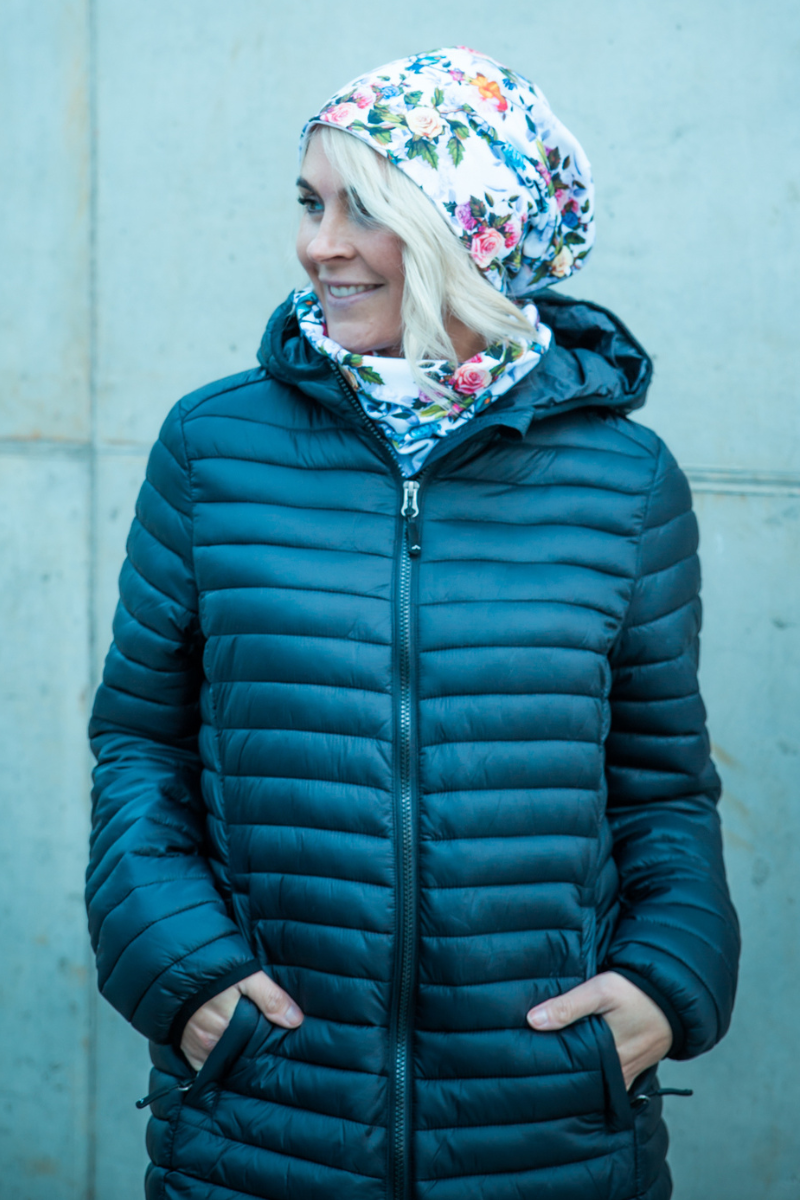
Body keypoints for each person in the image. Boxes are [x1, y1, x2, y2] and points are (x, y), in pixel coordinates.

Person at [86, 47, 740, 1200]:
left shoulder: (624, 481)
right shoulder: (213, 447)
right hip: (262, 1112)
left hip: (545, 1128)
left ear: (473, 230)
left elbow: (659, 786)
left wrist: (666, 977)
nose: (317, 245)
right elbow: (141, 742)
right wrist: (180, 972)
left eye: (364, 209)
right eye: (309, 203)